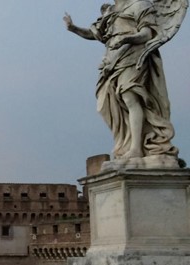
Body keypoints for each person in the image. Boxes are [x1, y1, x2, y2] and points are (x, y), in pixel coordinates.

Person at [63, 2, 182, 163]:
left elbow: (147, 34)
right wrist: (73, 28)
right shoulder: (112, 10)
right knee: (109, 103)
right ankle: (126, 144)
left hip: (133, 55)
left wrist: (128, 39)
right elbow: (98, 35)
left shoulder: (141, 5)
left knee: (130, 98)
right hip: (112, 60)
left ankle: (136, 149)